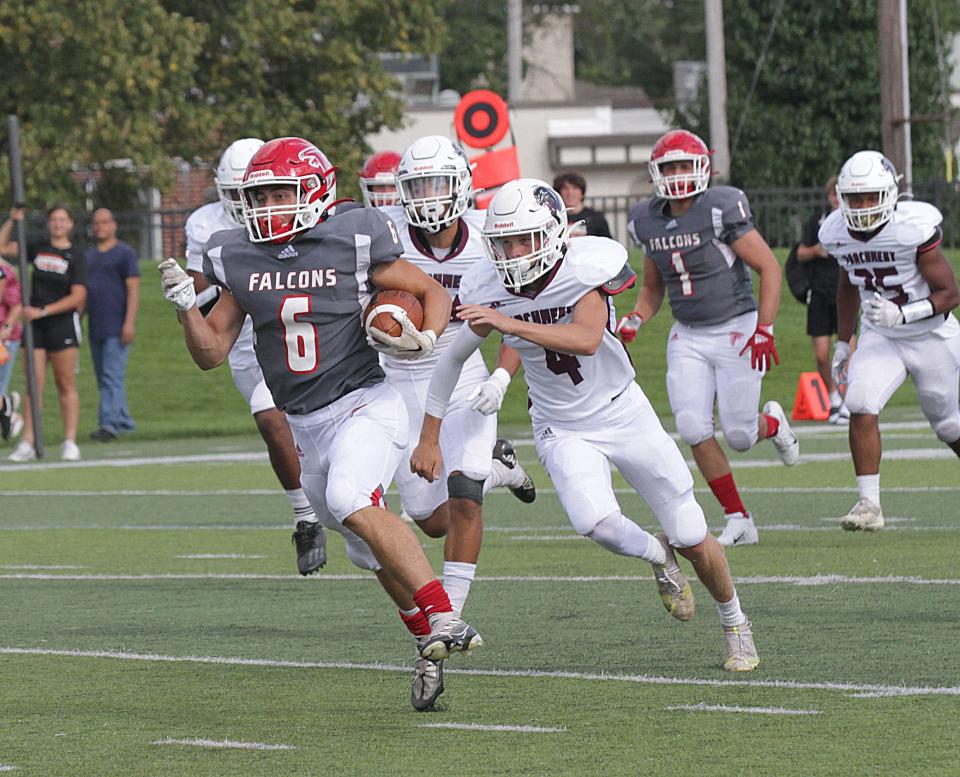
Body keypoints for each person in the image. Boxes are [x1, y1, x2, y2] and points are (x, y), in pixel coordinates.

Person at [159, 136, 483, 710]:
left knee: (350, 494)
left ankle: (445, 614)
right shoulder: (239, 254)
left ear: (313, 191)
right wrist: (188, 305)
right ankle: (424, 640)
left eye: (280, 193)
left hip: (364, 402)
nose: (267, 206)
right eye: (260, 196)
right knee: (363, 551)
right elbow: (211, 354)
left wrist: (428, 339)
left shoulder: (352, 236)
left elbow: (428, 288)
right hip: (305, 424)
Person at [411, 178, 760, 673]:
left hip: (622, 410)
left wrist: (510, 325)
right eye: (503, 242)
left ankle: (735, 623)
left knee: (691, 529)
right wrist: (430, 433)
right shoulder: (489, 285)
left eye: (522, 240)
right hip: (560, 423)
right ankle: (657, 556)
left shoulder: (584, 267)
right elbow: (451, 361)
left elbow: (587, 338)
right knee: (593, 522)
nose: (512, 253)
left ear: (552, 233)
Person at [384, 135, 536, 710]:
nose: (427, 198)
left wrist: (501, 377)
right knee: (427, 518)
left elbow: (523, 311)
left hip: (467, 375)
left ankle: (444, 626)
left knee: (464, 495)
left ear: (462, 185)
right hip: (401, 378)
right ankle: (501, 471)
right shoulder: (389, 236)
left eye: (437, 184)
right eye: (417, 186)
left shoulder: (489, 236)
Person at [617, 129, 799, 549]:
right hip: (688, 335)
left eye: (685, 165)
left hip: (736, 325)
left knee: (739, 435)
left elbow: (769, 267)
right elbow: (652, 289)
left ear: (703, 167)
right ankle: (738, 518)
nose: (678, 174)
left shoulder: (720, 207)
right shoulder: (647, 218)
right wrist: (637, 319)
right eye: (670, 167)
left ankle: (770, 423)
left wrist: (765, 327)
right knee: (692, 427)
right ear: (656, 173)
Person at [185, 138, 326, 576]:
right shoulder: (209, 227)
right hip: (244, 340)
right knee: (280, 426)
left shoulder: (304, 215)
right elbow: (198, 286)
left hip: (299, 333)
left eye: (270, 195)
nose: (254, 207)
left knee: (273, 415)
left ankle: (310, 513)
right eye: (241, 196)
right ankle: (311, 511)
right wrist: (188, 299)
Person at [822, 150, 960, 530]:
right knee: (860, 402)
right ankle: (869, 505)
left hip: (930, 335)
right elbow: (847, 285)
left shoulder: (910, 228)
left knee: (948, 425)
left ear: (889, 195)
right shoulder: (836, 232)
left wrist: (905, 313)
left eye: (870, 197)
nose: (864, 207)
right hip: (882, 335)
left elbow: (950, 293)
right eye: (855, 199)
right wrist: (843, 341)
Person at [0, 205, 86, 461]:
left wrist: (45, 311)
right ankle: (29, 439)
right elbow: (2, 247)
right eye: (53, 219)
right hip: (35, 325)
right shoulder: (38, 247)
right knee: (33, 384)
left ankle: (69, 440)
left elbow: (78, 296)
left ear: (70, 223)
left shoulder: (76, 255)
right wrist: (13, 221)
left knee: (65, 382)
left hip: (61, 324)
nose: (58, 224)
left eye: (62, 219)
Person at [797, 176, 848, 424]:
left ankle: (848, 401)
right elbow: (800, 253)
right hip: (819, 293)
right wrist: (816, 250)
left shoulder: (854, 222)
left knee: (848, 352)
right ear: (829, 197)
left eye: (841, 194)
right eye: (833, 194)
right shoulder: (818, 221)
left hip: (845, 294)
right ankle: (832, 398)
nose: (837, 199)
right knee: (821, 355)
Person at [85, 208, 139, 440]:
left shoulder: (124, 254)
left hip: (116, 325)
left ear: (114, 224)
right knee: (103, 376)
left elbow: (133, 289)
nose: (100, 227)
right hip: (95, 324)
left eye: (105, 222)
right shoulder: (89, 256)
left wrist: (129, 322)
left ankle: (109, 425)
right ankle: (123, 419)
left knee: (111, 375)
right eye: (96, 223)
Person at [552, 171, 612, 238]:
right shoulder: (553, 219)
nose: (570, 192)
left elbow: (608, 244)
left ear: (582, 193)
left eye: (575, 188)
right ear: (559, 193)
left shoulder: (596, 218)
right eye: (565, 188)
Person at [0, 257, 23, 396]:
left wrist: (7, 327)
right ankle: (9, 411)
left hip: (4, 339)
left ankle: (7, 410)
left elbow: (17, 304)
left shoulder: (5, 272)